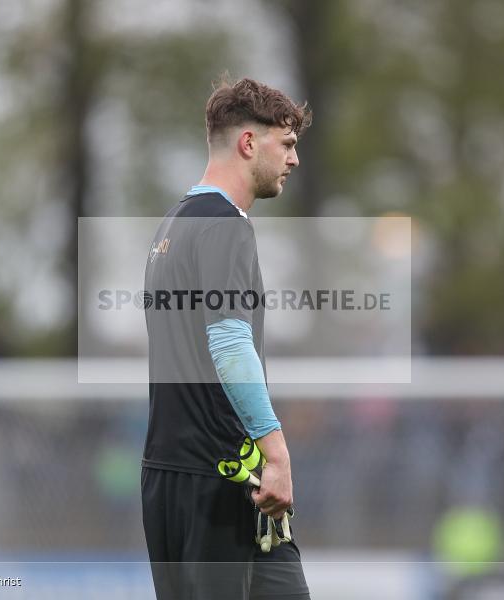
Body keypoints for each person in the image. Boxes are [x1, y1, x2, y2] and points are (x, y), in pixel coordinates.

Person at [141, 75, 312, 600]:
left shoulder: (172, 226)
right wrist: (276, 452)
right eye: (286, 144)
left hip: (171, 477)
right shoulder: (225, 225)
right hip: (220, 479)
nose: (294, 160)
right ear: (247, 143)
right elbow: (230, 345)